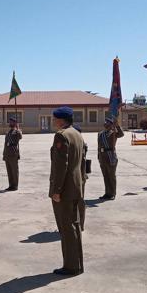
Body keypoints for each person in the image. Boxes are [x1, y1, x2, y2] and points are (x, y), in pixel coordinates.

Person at [49, 106, 84, 276]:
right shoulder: (76, 134)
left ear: (61, 120)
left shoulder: (62, 136)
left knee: (67, 228)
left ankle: (71, 266)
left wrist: (56, 190)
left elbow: (60, 166)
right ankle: (77, 263)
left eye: (55, 118)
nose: (53, 121)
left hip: (65, 190)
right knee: (74, 225)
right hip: (76, 187)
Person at [97, 116, 124, 200]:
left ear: (111, 125)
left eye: (107, 122)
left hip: (110, 155)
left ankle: (112, 193)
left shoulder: (113, 133)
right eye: (105, 122)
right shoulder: (100, 133)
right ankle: (107, 193)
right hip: (102, 156)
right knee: (105, 176)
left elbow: (121, 134)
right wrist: (99, 156)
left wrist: (117, 125)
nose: (105, 123)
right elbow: (99, 146)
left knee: (111, 176)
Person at [73, 123, 87, 232]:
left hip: (80, 177)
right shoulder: (79, 143)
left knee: (79, 201)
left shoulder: (81, 144)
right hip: (78, 176)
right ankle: (78, 223)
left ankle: (80, 224)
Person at [3, 116, 22, 191]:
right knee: (9, 170)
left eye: (12, 122)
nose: (10, 123)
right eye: (10, 122)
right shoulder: (8, 132)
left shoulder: (16, 132)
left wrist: (18, 128)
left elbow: (20, 137)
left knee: (14, 170)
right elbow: (5, 144)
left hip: (13, 153)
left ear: (15, 123)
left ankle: (15, 185)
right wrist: (4, 154)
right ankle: (11, 185)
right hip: (7, 153)